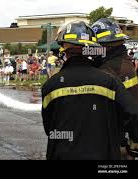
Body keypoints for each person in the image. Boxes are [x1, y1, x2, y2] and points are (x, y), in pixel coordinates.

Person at [42, 21, 138, 160]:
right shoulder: (110, 81)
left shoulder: (50, 85)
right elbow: (133, 114)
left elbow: (49, 129)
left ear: (64, 48)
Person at [92, 18, 138, 159]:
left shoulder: (113, 69)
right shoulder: (122, 64)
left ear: (105, 45)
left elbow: (132, 111)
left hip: (117, 143)